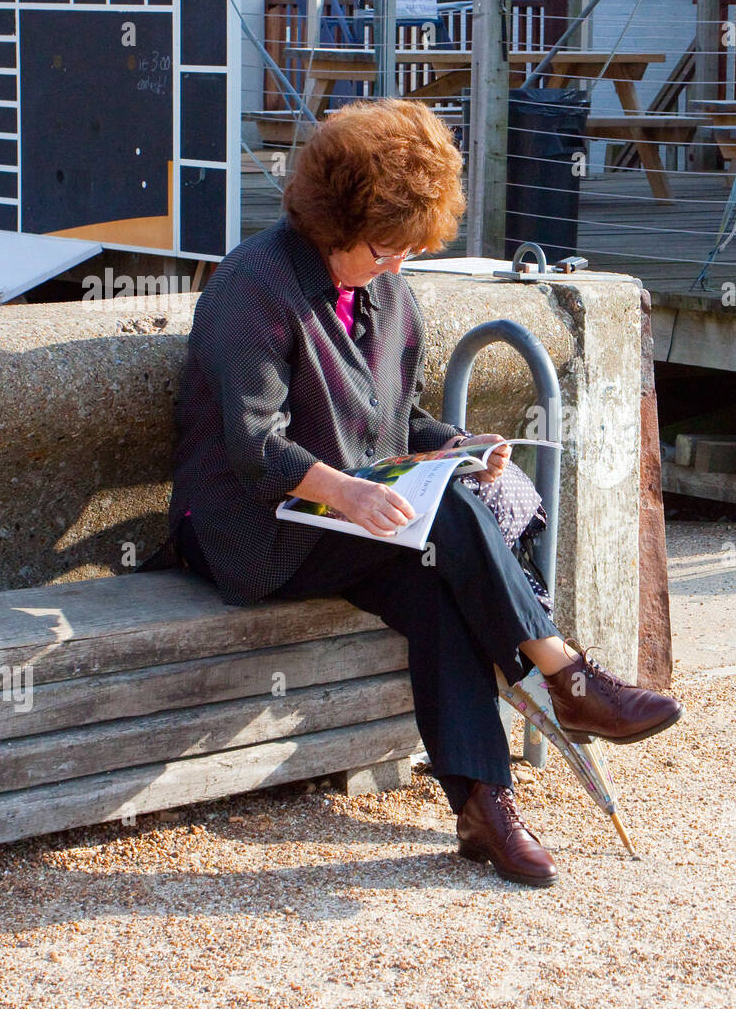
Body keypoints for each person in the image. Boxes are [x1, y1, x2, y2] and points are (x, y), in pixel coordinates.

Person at [168, 98, 682, 888]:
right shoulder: (255, 285)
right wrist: (347, 492)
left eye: (409, 249)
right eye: (384, 248)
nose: (397, 265)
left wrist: (452, 445)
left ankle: (484, 807)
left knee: (440, 578)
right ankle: (564, 674)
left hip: (350, 519)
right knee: (446, 526)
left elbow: (394, 417)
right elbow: (253, 446)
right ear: (330, 218)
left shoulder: (384, 288)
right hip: (252, 529)